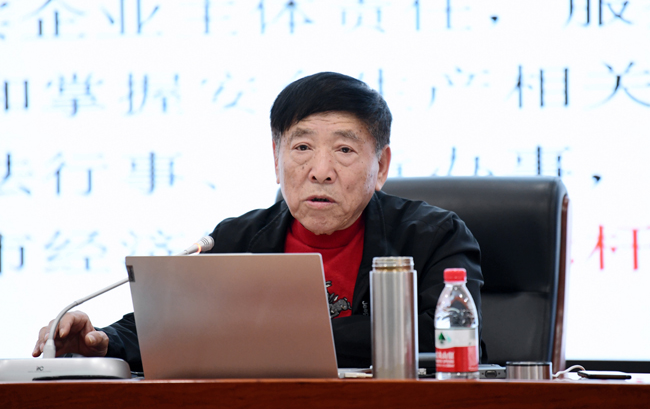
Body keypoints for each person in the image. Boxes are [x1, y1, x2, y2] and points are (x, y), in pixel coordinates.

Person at [33, 71, 484, 370]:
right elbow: (171, 326)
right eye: (302, 148)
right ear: (276, 159)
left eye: (344, 150)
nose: (320, 170)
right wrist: (100, 341)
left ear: (380, 166)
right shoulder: (235, 239)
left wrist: (267, 338)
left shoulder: (433, 236)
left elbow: (453, 340)